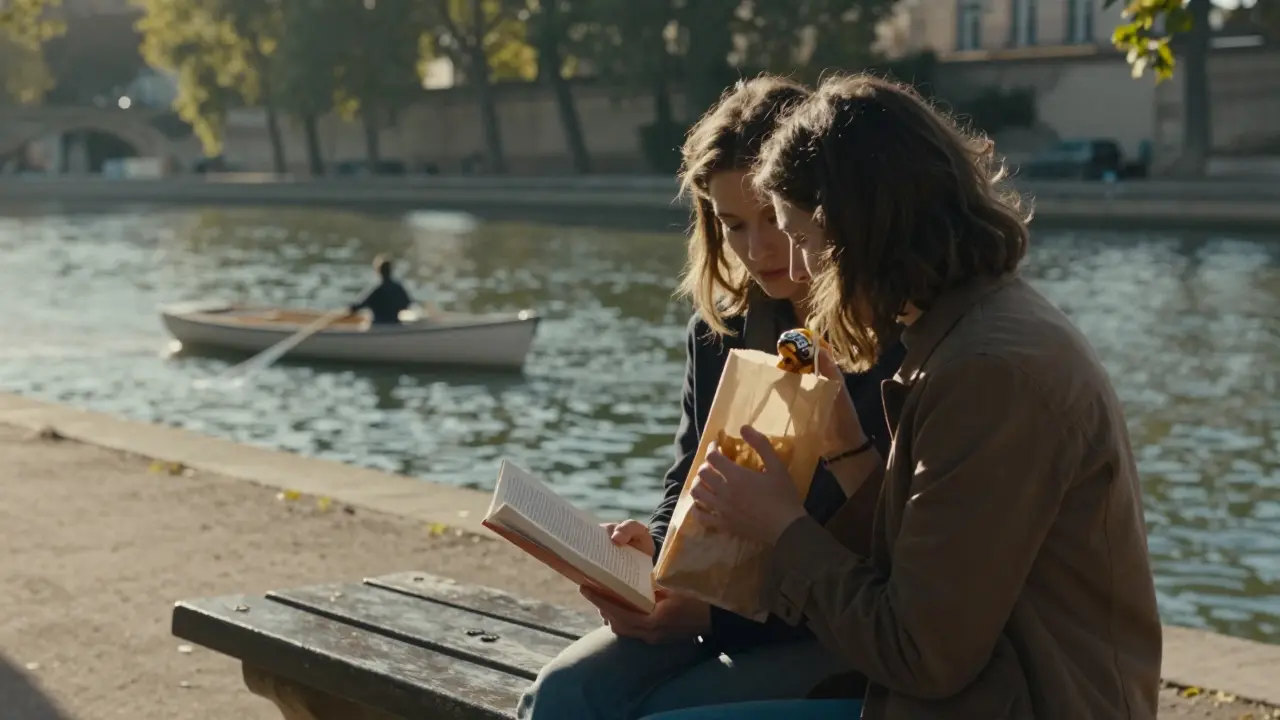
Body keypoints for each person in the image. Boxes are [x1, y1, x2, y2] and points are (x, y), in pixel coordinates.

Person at [669, 74, 1162, 719]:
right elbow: (924, 569)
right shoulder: (973, 327)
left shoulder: (988, 375)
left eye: (803, 239)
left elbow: (919, 652)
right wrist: (848, 448)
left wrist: (782, 528)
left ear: (860, 232)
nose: (797, 267)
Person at [516, 77, 905, 720]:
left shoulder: (889, 338)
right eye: (733, 225)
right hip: (708, 609)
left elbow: (886, 569)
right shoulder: (719, 330)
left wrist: (715, 617)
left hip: (832, 632)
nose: (759, 250)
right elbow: (686, 480)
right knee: (562, 694)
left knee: (669, 709)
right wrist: (651, 557)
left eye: (774, 220)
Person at [348, 255, 414, 325]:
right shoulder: (398, 287)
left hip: (378, 325)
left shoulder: (376, 289)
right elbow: (407, 304)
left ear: (378, 271)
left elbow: (358, 307)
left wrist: (350, 309)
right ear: (390, 270)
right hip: (395, 323)